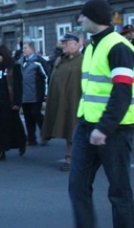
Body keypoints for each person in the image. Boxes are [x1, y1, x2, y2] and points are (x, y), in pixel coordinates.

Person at [68, 0, 134, 228]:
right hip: (87, 126)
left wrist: (104, 127)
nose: (80, 19)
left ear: (94, 18)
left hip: (114, 130)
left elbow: (122, 92)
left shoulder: (118, 47)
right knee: (77, 186)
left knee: (119, 191)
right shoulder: (90, 47)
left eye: (83, 16)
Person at [42, 32, 83, 171]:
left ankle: (70, 158)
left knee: (73, 128)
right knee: (66, 128)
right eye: (63, 43)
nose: (64, 46)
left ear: (76, 45)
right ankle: (70, 156)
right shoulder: (60, 60)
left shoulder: (82, 60)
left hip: (75, 101)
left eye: (67, 43)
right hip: (60, 101)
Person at [0, 44, 25, 162]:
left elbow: (18, 86)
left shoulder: (14, 67)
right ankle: (0, 151)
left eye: (0, 55)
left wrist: (17, 102)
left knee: (13, 126)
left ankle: (22, 142)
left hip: (9, 101)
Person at [20, 41, 49, 146]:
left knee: (35, 114)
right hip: (24, 94)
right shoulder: (21, 61)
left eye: (25, 48)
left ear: (32, 49)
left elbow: (46, 76)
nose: (23, 50)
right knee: (27, 116)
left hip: (36, 94)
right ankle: (31, 137)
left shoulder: (38, 61)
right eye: (23, 48)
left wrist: (45, 93)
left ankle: (44, 133)